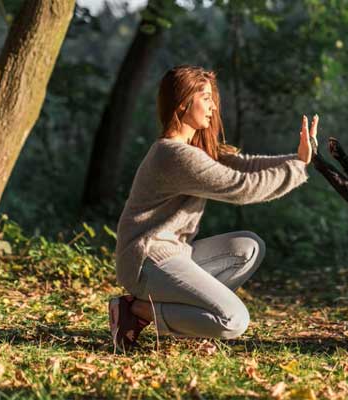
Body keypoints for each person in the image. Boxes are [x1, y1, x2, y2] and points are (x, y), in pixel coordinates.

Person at [109, 65, 318, 350]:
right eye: (205, 98)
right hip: (147, 261)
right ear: (183, 102)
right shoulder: (174, 155)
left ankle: (177, 313)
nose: (213, 106)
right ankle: (137, 311)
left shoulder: (190, 150)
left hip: (173, 254)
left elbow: (246, 165)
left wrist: (298, 158)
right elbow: (243, 187)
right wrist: (296, 168)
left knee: (248, 247)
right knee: (233, 320)